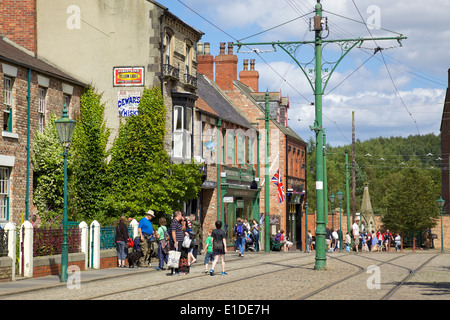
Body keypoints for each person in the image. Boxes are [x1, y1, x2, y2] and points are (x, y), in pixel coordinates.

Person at [169, 211, 185, 275]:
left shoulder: (178, 222)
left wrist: (183, 223)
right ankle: (174, 271)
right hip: (177, 241)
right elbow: (173, 232)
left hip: (180, 241)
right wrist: (175, 242)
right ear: (178, 215)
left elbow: (182, 229)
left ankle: (177, 270)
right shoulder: (174, 222)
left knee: (178, 255)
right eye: (181, 215)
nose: (182, 216)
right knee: (175, 256)